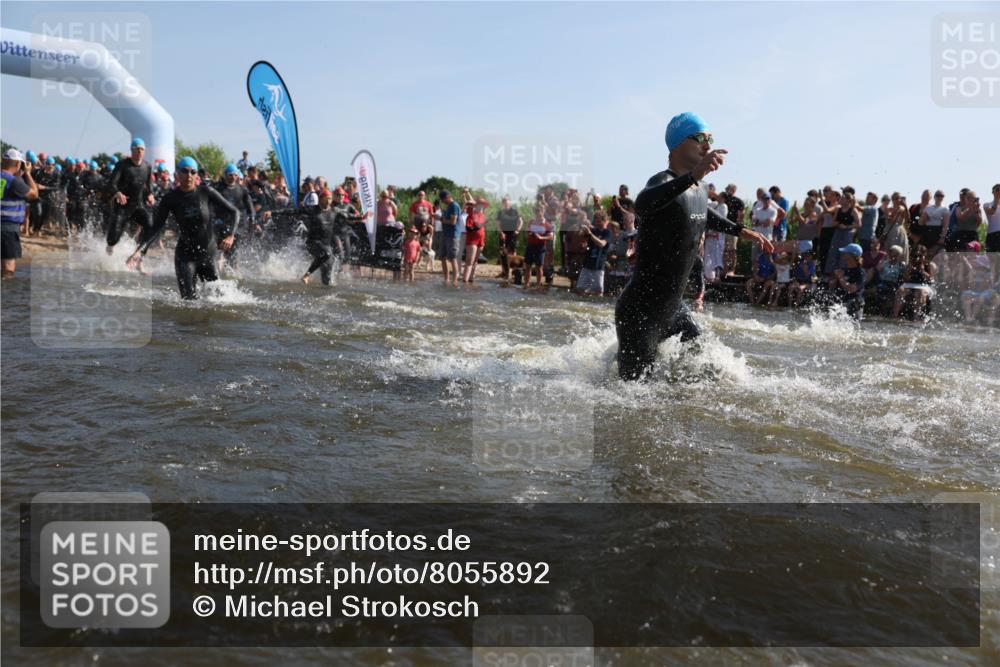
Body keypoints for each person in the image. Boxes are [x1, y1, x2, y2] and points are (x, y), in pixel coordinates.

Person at [615, 112, 773, 380]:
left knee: (715, 373)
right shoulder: (662, 181)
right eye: (700, 138)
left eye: (710, 139)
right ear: (677, 144)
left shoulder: (698, 188)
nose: (707, 145)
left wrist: (739, 230)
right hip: (642, 311)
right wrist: (694, 175)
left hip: (674, 310)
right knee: (631, 397)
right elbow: (642, 205)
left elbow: (702, 211)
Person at [127, 156, 238, 299]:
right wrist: (140, 251)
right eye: (185, 171)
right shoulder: (170, 198)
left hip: (208, 254)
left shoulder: (206, 192)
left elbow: (235, 212)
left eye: (193, 172)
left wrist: (231, 235)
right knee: (188, 301)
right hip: (185, 256)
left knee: (219, 300)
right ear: (178, 174)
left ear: (197, 174)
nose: (189, 175)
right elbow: (156, 227)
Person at [105, 137, 154, 258]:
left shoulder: (147, 167)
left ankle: (138, 254)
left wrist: (150, 194)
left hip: (138, 206)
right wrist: (118, 193)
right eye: (137, 149)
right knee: (113, 238)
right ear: (132, 150)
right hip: (122, 207)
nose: (140, 152)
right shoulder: (122, 165)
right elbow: (111, 184)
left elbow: (148, 186)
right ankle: (108, 255)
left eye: (142, 149)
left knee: (151, 225)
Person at [1, 149, 39, 278]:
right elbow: (34, 194)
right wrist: (28, 174)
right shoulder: (14, 181)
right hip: (8, 230)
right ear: (18, 164)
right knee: (8, 267)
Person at [213, 163, 257, 271]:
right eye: (230, 175)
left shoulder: (242, 190)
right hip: (219, 225)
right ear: (225, 175)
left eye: (235, 175)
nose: (233, 177)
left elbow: (250, 208)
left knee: (232, 257)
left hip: (235, 227)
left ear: (238, 176)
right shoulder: (218, 188)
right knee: (215, 254)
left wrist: (252, 220)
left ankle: (232, 276)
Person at [300, 189, 342, 285]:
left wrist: (361, 218)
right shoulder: (312, 210)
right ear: (320, 199)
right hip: (312, 242)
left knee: (327, 279)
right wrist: (272, 213)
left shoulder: (334, 211)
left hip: (326, 245)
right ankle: (306, 275)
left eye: (330, 199)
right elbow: (293, 211)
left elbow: (348, 216)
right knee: (325, 253)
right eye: (326, 199)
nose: (328, 201)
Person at [575, 210, 612, 296]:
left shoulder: (607, 232)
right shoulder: (593, 230)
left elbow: (602, 244)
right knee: (580, 289)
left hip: (598, 265)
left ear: (604, 220)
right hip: (587, 264)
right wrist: (583, 227)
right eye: (596, 221)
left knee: (598, 291)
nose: (597, 223)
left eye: (599, 221)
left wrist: (590, 234)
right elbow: (580, 235)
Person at [832, 243, 865, 319]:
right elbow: (833, 286)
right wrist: (834, 279)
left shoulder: (860, 272)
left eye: (845, 252)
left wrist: (840, 278)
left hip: (855, 303)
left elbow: (851, 289)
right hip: (843, 302)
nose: (843, 253)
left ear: (852, 255)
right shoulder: (844, 270)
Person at [523, 205, 552, 289]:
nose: (537, 213)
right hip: (530, 245)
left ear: (543, 212)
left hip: (540, 246)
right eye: (536, 211)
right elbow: (526, 233)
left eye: (539, 211)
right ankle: (526, 284)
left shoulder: (547, 224)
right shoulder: (531, 222)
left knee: (539, 267)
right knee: (528, 265)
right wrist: (528, 234)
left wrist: (541, 237)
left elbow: (550, 237)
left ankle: (538, 285)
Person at [438, 190, 462, 286]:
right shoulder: (449, 206)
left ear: (447, 197)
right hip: (446, 234)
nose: (443, 202)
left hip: (453, 235)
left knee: (452, 258)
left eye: (443, 199)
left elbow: (453, 222)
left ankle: (455, 280)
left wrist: (442, 219)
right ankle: (446, 279)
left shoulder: (454, 206)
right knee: (442, 256)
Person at [496, 196, 523, 279]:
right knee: (502, 253)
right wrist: (501, 232)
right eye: (504, 201)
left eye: (507, 201)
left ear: (510, 202)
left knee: (513, 252)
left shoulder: (514, 211)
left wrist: (518, 230)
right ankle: (504, 271)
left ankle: (514, 272)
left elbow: (520, 221)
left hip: (513, 233)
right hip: (503, 233)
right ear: (502, 203)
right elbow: (498, 223)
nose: (505, 203)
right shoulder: (500, 212)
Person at [462, 198, 487, 283]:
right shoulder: (471, 214)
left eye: (482, 205)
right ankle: (465, 280)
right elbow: (468, 228)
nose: (481, 206)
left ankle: (471, 279)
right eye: (480, 204)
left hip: (481, 239)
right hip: (472, 239)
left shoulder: (483, 215)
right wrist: (478, 226)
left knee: (475, 261)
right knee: (470, 260)